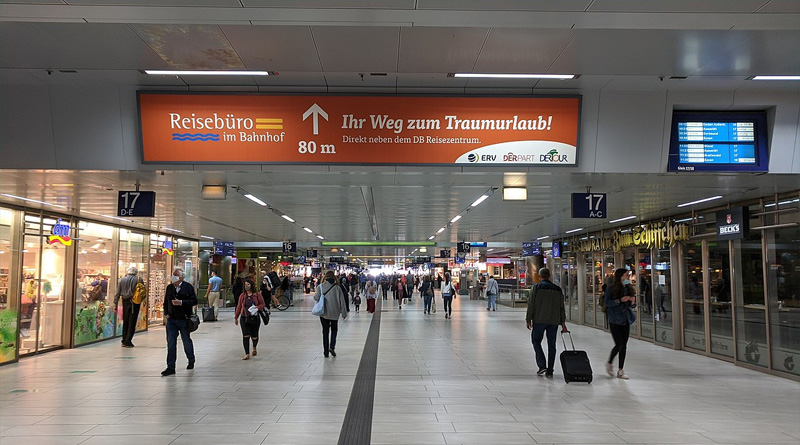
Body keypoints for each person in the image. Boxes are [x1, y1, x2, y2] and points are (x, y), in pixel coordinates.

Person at [525, 268, 568, 378]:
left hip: (539, 320)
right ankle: (550, 370)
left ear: (539, 276)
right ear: (549, 276)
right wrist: (563, 323)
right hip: (554, 321)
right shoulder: (557, 289)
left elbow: (531, 304)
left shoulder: (536, 287)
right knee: (552, 345)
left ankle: (542, 365)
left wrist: (528, 319)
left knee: (536, 341)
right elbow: (561, 307)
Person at [161, 268, 198, 376]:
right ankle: (170, 367)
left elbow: (194, 301)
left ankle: (191, 359)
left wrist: (181, 302)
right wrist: (166, 313)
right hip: (172, 319)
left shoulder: (188, 287)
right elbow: (165, 302)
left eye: (176, 275)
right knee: (171, 342)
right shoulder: (170, 288)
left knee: (186, 340)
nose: (174, 277)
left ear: (181, 277)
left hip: (184, 319)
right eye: (173, 275)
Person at [605, 268, 637, 380]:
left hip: (625, 319)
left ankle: (620, 370)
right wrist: (619, 300)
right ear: (620, 276)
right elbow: (607, 302)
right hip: (615, 319)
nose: (627, 277)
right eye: (625, 275)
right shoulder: (611, 288)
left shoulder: (629, 289)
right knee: (619, 344)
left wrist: (632, 302)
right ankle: (609, 363)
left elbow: (632, 306)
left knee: (624, 346)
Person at [314, 271, 348, 358]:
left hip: (324, 313)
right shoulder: (337, 288)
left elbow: (316, 298)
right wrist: (344, 313)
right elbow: (342, 301)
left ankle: (325, 352)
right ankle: (332, 347)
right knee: (334, 330)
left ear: (325, 277)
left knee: (325, 332)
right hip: (334, 313)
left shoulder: (320, 287)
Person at [235, 278, 266, 360]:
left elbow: (263, 304)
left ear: (251, 285)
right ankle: (247, 353)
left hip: (254, 318)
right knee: (245, 335)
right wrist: (236, 317)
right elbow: (238, 306)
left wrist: (257, 307)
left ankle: (254, 346)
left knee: (254, 336)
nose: (246, 286)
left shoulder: (257, 295)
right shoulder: (242, 296)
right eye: (245, 285)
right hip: (244, 318)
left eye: (248, 285)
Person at [114, 267, 141, 348]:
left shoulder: (122, 280)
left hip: (125, 301)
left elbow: (117, 293)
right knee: (132, 321)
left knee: (126, 321)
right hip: (135, 302)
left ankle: (124, 339)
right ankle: (128, 341)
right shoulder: (139, 279)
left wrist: (115, 304)